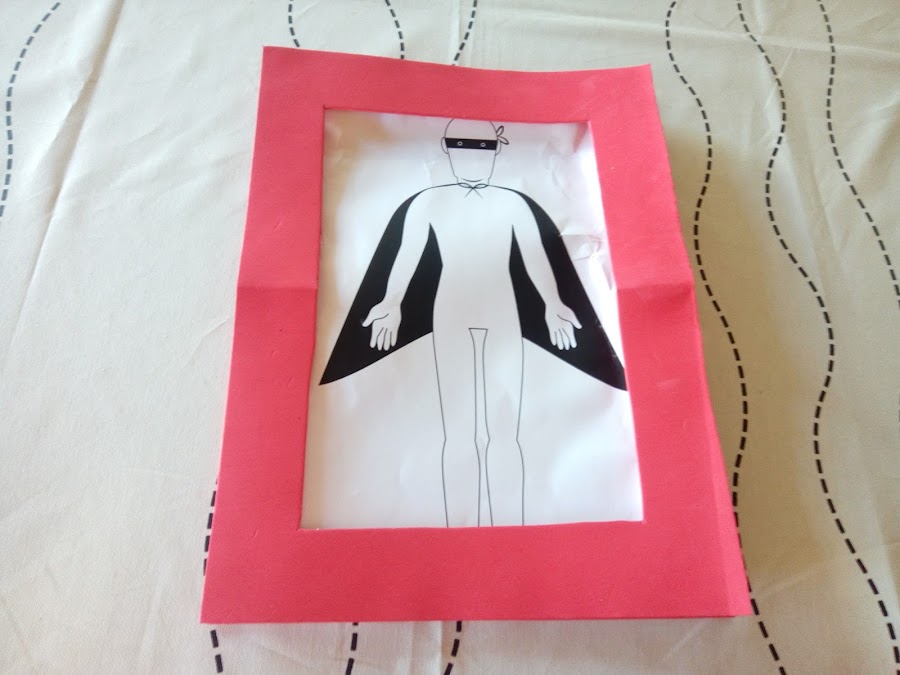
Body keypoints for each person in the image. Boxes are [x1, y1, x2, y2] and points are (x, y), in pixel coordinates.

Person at [321, 119, 626, 527]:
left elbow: (534, 255)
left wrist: (553, 303)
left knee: (505, 427)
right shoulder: (428, 201)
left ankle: (512, 526)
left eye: (482, 153)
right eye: (463, 151)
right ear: (449, 153)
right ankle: (459, 528)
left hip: (503, 310)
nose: (473, 162)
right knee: (457, 429)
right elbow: (407, 256)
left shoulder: (513, 202)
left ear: (495, 155)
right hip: (450, 309)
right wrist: (391, 303)